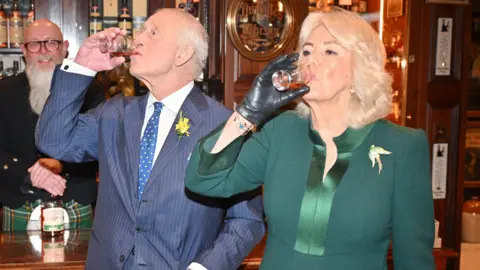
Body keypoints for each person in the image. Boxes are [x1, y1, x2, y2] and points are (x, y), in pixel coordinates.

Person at [185, 8, 435, 270]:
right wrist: (248, 113)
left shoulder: (402, 147)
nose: (310, 61)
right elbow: (204, 181)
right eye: (306, 51)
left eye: (329, 51)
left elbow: (414, 260)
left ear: (360, 68)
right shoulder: (280, 132)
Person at [36, 9, 265, 270]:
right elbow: (53, 140)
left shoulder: (226, 126)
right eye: (141, 30)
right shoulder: (114, 113)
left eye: (153, 32)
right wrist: (81, 66)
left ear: (183, 53)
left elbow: (247, 221)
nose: (139, 38)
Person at [0, 19, 104, 231]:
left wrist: (60, 166)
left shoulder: (92, 90)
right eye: (34, 44)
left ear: (64, 47)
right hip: (19, 199)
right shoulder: (3, 91)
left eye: (51, 43)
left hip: (75, 198)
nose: (43, 51)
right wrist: (26, 174)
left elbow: (102, 148)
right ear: (24, 50)